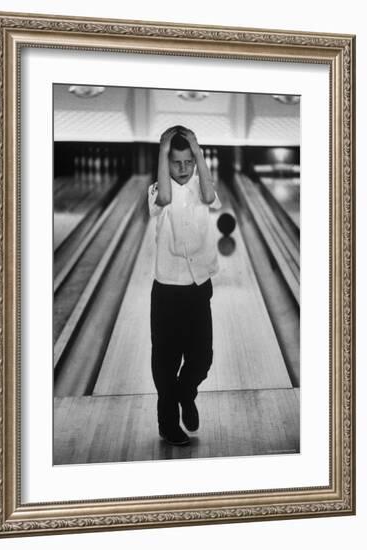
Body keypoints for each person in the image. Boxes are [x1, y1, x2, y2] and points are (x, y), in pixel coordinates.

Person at [148, 125, 222, 446]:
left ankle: (185, 394)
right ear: (167, 163)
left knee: (202, 357)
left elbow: (209, 195)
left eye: (187, 163)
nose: (182, 169)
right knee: (166, 362)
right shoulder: (156, 190)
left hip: (198, 286)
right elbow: (165, 196)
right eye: (176, 162)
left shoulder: (201, 188)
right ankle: (168, 424)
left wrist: (197, 150)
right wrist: (164, 150)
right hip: (167, 291)